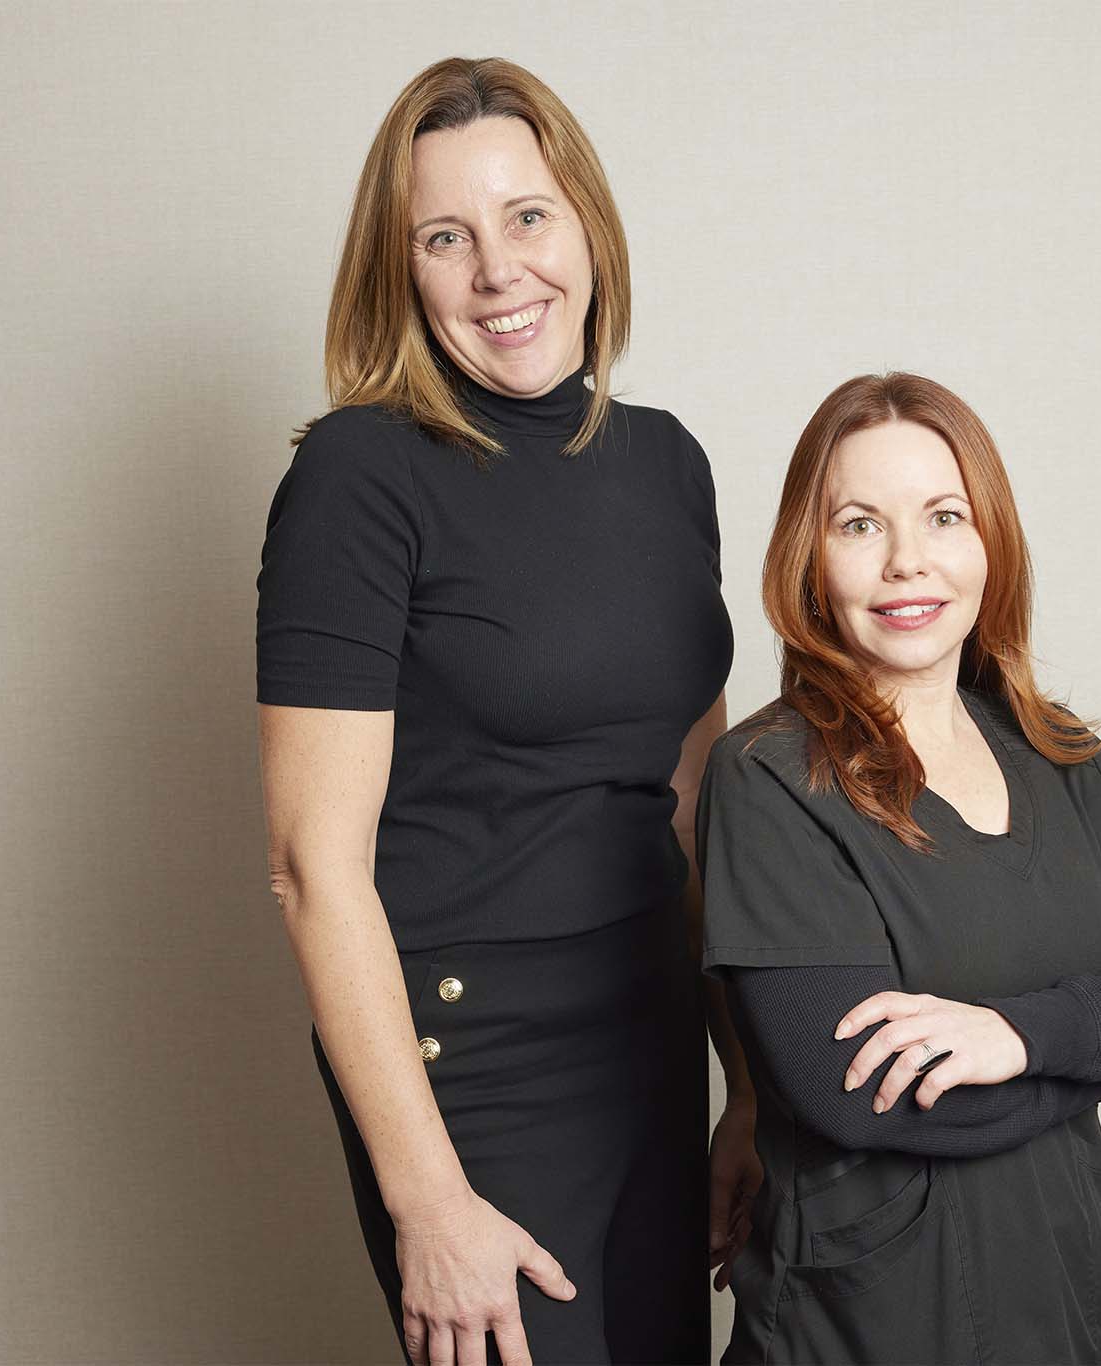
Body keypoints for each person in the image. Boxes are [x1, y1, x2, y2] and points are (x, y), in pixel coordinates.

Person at [255, 57, 757, 1366]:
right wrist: (425, 1199)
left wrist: (749, 1091)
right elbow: (316, 869)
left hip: (652, 1039)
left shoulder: (668, 462)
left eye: (528, 217)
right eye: (445, 236)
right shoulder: (360, 477)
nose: (499, 271)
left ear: (587, 222)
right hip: (471, 1070)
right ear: (400, 271)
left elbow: (696, 814)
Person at [696, 373, 1101, 1364]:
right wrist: (1100, 1032)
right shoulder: (771, 777)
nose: (908, 561)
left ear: (989, 540)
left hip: (1069, 1301)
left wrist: (1012, 1037)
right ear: (808, 558)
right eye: (859, 524)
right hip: (875, 1322)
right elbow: (847, 1088)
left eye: (942, 516)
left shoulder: (1057, 752)